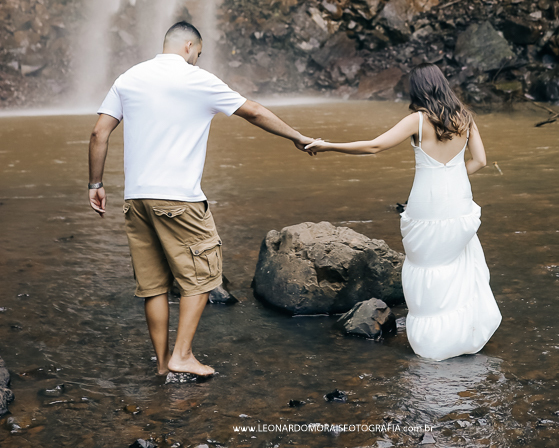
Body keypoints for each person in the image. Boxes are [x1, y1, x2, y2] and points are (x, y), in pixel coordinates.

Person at [88, 20, 314, 378]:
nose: (197, 60)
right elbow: (252, 111)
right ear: (190, 47)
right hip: (180, 201)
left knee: (154, 286)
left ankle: (163, 365)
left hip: (137, 201)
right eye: (198, 54)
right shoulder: (197, 79)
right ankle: (182, 355)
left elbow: (100, 132)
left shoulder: (128, 78)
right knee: (203, 276)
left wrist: (95, 183)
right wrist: (296, 137)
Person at [305, 63, 501, 360]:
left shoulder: (419, 120)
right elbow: (481, 161)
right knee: (456, 267)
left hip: (427, 204)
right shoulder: (466, 118)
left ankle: (434, 342)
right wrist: (454, 179)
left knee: (427, 268)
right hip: (459, 201)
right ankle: (464, 335)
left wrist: (328, 145)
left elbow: (374, 146)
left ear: (418, 89)